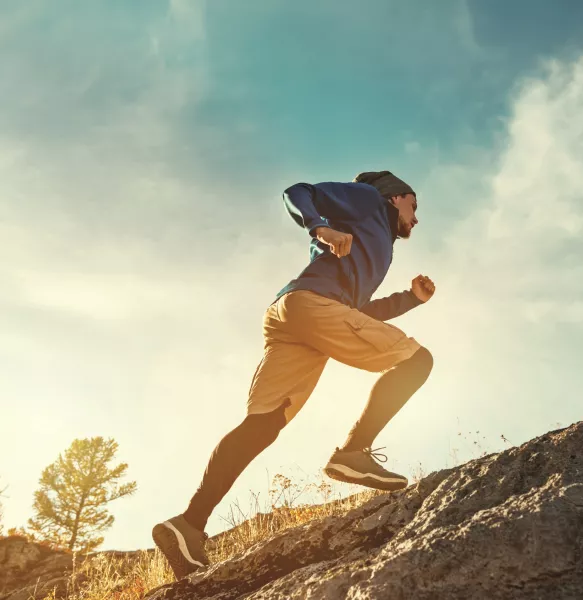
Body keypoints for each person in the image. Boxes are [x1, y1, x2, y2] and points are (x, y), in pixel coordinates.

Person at [152, 171, 435, 580]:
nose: (417, 217)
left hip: (296, 315)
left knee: (263, 424)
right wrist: (318, 226)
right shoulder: (368, 200)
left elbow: (356, 315)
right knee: (417, 361)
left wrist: (411, 299)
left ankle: (188, 525)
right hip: (311, 304)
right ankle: (353, 452)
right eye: (414, 205)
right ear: (396, 198)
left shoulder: (375, 242)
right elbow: (298, 192)